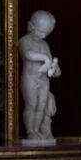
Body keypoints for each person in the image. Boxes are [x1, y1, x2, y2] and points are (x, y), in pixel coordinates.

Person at [19, 9, 60, 142]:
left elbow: (50, 60)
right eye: (40, 32)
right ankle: (30, 131)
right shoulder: (25, 40)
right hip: (30, 78)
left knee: (41, 105)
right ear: (30, 26)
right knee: (32, 104)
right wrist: (43, 58)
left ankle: (36, 131)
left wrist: (55, 69)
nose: (43, 35)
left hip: (44, 80)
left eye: (46, 33)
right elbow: (27, 54)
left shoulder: (44, 44)